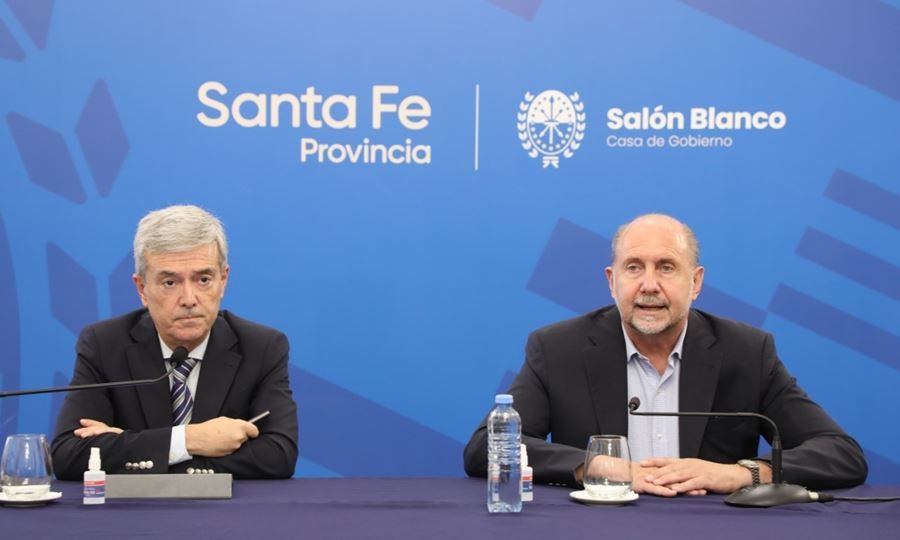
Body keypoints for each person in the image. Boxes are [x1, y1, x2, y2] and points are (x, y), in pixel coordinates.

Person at [463, 214, 867, 495]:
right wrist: (598, 465)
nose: (649, 285)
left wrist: (742, 474)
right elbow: (486, 448)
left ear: (696, 282)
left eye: (667, 267)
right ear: (612, 281)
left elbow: (841, 454)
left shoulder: (747, 352)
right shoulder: (557, 348)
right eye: (634, 268)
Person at [51, 205, 298, 480]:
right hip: (133, 508)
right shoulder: (104, 345)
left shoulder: (262, 347)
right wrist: (189, 439)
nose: (189, 299)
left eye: (203, 279)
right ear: (142, 288)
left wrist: (138, 447)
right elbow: (69, 455)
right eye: (170, 282)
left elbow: (278, 455)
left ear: (223, 280)